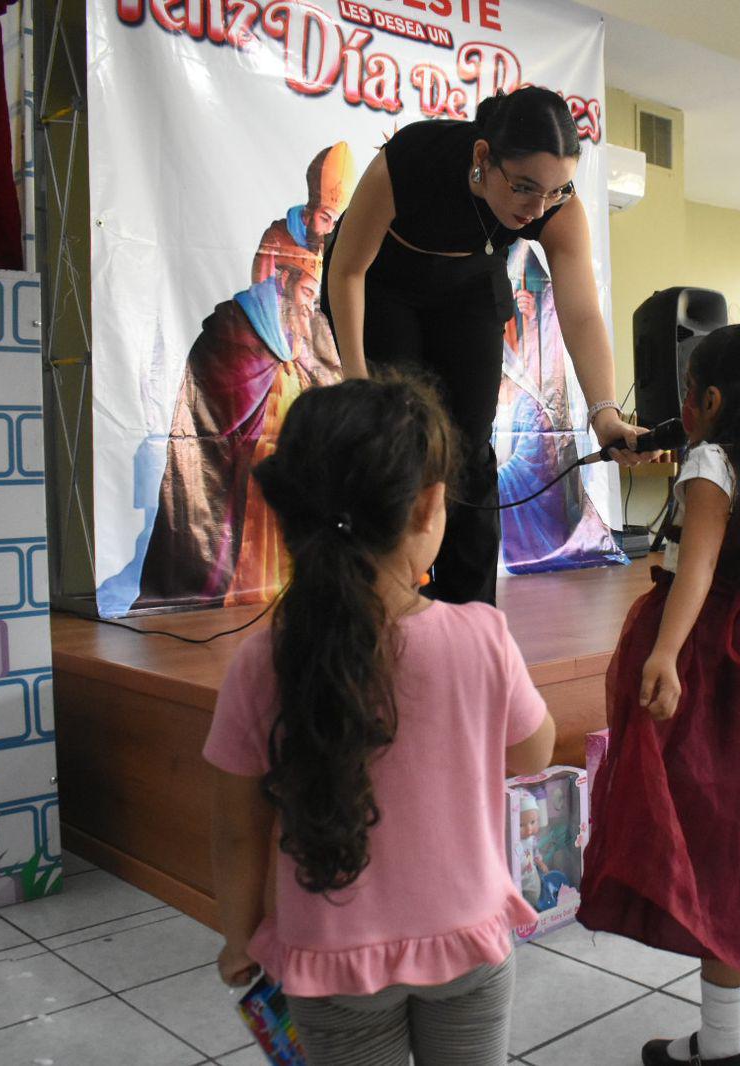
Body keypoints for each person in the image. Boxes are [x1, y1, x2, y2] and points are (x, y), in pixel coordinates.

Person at [205, 374, 557, 1064]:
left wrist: (237, 933)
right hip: (466, 945)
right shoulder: (482, 636)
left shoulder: (260, 660)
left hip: (330, 962)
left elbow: (234, 825)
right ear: (428, 507)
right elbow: (535, 752)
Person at [578, 323, 740, 1066]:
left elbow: (693, 572)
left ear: (711, 402)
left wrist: (664, 655)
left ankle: (720, 1046)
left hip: (713, 675)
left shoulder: (709, 463)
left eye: (687, 394)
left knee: (719, 850)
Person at [324, 85, 649, 606]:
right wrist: (356, 381)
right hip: (383, 282)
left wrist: (605, 414)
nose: (538, 207)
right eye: (525, 188)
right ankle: (372, 608)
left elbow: (582, 312)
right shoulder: (413, 160)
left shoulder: (556, 206)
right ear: (483, 158)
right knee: (394, 440)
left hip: (470, 286)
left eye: (557, 190)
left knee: (469, 449)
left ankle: (470, 621)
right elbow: (347, 269)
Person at [136, 253, 337, 608]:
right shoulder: (234, 330)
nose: (309, 306)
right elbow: (220, 410)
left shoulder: (299, 342)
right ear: (285, 286)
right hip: (242, 476)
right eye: (306, 293)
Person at [251, 141, 357, 288]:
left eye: (335, 223)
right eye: (324, 219)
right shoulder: (276, 239)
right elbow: (262, 297)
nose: (329, 230)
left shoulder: (337, 249)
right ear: (310, 211)